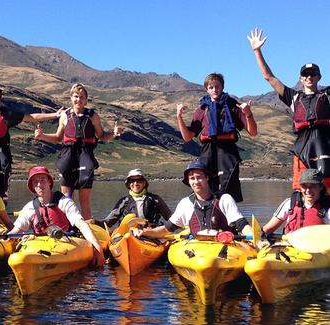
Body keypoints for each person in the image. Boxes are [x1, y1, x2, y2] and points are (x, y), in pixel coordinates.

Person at [248, 28, 330, 191]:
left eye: (313, 74)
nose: (309, 77)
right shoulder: (293, 97)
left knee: (326, 188)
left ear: (319, 77)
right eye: (305, 74)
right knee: (300, 189)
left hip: (324, 144)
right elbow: (269, 78)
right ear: (300, 78)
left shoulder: (327, 96)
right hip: (301, 146)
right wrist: (257, 51)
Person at [34, 83, 122, 220]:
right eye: (76, 96)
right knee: (66, 199)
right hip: (68, 156)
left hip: (85, 156)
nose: (78, 100)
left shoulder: (93, 116)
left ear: (86, 100)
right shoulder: (64, 116)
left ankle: (86, 228)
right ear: (71, 98)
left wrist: (115, 134)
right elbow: (58, 138)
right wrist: (42, 136)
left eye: (82, 97)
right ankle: (66, 227)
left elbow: (102, 136)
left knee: (84, 201)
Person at [176, 73, 257, 203]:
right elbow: (187, 137)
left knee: (228, 186)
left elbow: (253, 132)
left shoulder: (233, 107)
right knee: (206, 185)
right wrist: (179, 117)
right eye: (211, 87)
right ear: (207, 89)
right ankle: (208, 215)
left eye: (217, 86)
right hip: (207, 151)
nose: (214, 89)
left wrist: (248, 114)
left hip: (227, 150)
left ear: (222, 87)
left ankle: (229, 219)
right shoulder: (201, 110)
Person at [8, 166, 105, 266]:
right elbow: (16, 231)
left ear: (49, 182)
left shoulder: (64, 202)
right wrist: (6, 239)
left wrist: (97, 248)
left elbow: (81, 224)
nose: (39, 185)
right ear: (32, 186)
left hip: (65, 243)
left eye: (43, 180)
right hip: (39, 245)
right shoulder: (29, 208)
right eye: (35, 182)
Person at [132, 160, 253, 239]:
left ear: (207, 178)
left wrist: (255, 238)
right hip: (196, 250)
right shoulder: (185, 203)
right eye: (192, 178)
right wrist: (144, 232)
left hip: (224, 246)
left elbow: (242, 225)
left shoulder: (224, 199)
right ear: (188, 182)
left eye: (199, 177)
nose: (196, 182)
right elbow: (166, 229)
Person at [98, 168, 171, 232]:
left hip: (151, 232)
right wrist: (95, 222)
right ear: (128, 184)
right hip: (129, 233)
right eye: (132, 181)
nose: (135, 183)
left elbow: (171, 218)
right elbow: (108, 222)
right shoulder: (124, 201)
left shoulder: (155, 199)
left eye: (139, 180)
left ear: (144, 183)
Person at [263, 169, 330, 235]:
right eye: (304, 186)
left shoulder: (327, 208)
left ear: (321, 187)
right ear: (300, 187)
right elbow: (267, 229)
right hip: (289, 244)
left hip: (317, 245)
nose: (308, 190)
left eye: (313, 186)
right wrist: (261, 239)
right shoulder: (289, 203)